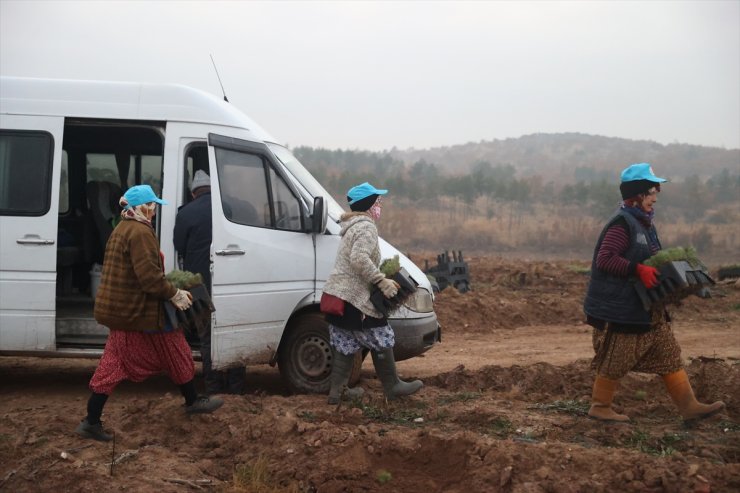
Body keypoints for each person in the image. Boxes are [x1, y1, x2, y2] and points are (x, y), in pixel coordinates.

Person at [75, 185, 223, 442]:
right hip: (136, 314)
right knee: (164, 352)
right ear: (138, 207)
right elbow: (149, 279)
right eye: (151, 204)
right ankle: (92, 420)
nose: (154, 209)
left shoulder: (122, 228)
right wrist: (174, 293)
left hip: (125, 312)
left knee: (162, 351)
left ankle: (92, 420)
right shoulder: (140, 232)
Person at [583, 163, 725, 423]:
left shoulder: (645, 224)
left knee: (669, 353)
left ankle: (689, 406)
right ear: (637, 194)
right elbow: (605, 259)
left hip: (646, 307)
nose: (655, 197)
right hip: (622, 309)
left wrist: (670, 283)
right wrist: (637, 269)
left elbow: (652, 261)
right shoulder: (622, 224)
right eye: (651, 192)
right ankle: (600, 406)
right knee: (617, 357)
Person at [322, 182, 423, 404]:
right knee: (381, 336)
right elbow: (359, 259)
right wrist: (381, 279)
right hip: (354, 299)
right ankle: (393, 386)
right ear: (368, 205)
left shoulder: (351, 227)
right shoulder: (366, 227)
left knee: (345, 341)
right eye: (378, 202)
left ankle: (337, 393)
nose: (380, 206)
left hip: (339, 296)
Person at [174, 170, 247, 395]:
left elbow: (179, 246)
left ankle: (213, 387)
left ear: (194, 192)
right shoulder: (226, 209)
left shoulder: (185, 213)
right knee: (232, 333)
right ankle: (235, 388)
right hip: (229, 280)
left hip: (198, 284)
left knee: (207, 337)